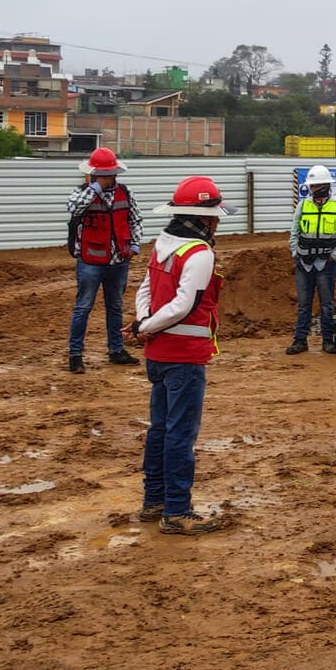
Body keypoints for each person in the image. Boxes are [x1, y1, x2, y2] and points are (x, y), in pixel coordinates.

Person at [125, 176, 234, 536]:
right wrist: (146, 327)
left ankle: (154, 501)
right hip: (184, 357)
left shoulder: (162, 244)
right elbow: (183, 306)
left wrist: (144, 323)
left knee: (160, 430)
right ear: (202, 218)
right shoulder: (200, 254)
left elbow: (146, 289)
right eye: (214, 215)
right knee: (179, 435)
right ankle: (176, 510)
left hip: (158, 355)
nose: (217, 222)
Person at [65, 148, 142, 374]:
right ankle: (75, 355)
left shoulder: (125, 193)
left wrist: (135, 245)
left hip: (119, 260)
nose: (109, 178)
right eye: (103, 174)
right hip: (90, 262)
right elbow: (73, 207)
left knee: (115, 307)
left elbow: (135, 220)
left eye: (110, 174)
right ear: (95, 174)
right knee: (83, 307)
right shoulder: (82, 194)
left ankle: (116, 350)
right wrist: (95, 188)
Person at [287, 164, 336, 355]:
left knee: (326, 304)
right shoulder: (303, 205)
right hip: (304, 263)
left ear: (326, 185)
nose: (315, 189)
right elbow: (294, 232)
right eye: (312, 186)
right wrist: (296, 253)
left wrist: (333, 256)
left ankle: (327, 340)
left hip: (326, 263)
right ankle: (300, 340)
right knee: (303, 304)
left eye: (318, 185)